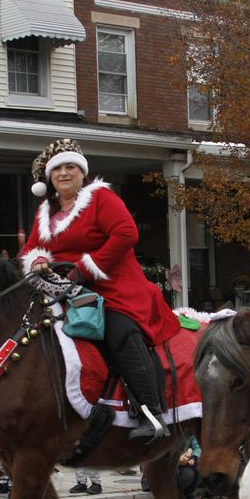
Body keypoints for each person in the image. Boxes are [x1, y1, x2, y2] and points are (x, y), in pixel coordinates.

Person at [21, 138, 181, 442]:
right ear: (49, 178)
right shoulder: (45, 213)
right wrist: (39, 259)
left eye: (71, 167)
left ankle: (151, 413)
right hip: (67, 291)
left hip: (116, 287)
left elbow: (126, 233)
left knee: (117, 331)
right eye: (58, 170)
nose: (64, 174)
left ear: (83, 173)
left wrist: (87, 266)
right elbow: (31, 248)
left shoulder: (101, 198)